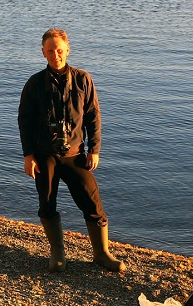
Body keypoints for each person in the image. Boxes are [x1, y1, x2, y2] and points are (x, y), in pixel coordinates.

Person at [18, 28, 125, 273]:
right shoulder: (34, 84)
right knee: (46, 203)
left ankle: (102, 253)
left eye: (59, 50)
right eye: (50, 51)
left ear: (67, 50)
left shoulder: (82, 79)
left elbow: (93, 117)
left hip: (75, 153)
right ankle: (57, 252)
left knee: (91, 201)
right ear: (43, 52)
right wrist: (28, 155)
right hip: (45, 155)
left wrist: (94, 150)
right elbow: (24, 121)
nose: (55, 54)